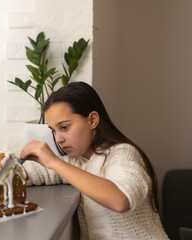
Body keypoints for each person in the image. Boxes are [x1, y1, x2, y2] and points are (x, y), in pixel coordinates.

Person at [20, 82, 168, 239]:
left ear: (92, 120)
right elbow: (28, 172)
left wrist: (55, 162)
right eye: (53, 131)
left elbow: (121, 200)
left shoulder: (123, 153)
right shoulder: (77, 163)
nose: (58, 139)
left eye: (64, 128)